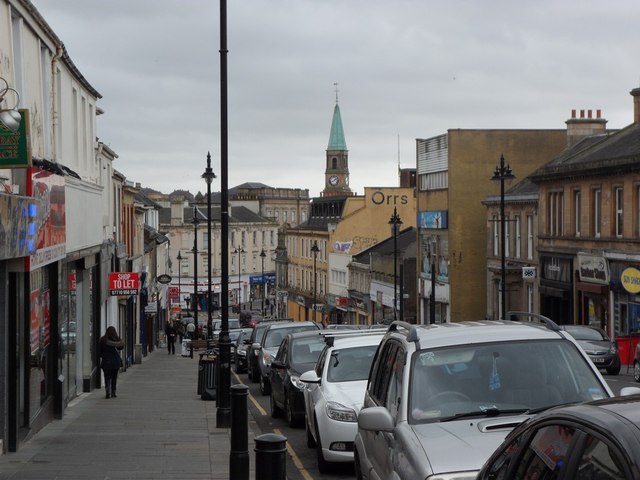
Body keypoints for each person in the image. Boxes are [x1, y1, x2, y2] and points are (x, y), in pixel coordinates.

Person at [99, 326, 124, 399]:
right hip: (115, 362)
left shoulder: (102, 340)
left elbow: (99, 352)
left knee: (107, 377)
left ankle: (107, 392)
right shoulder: (116, 340)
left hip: (106, 362)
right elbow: (121, 347)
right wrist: (118, 339)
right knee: (114, 377)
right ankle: (113, 392)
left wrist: (103, 356)